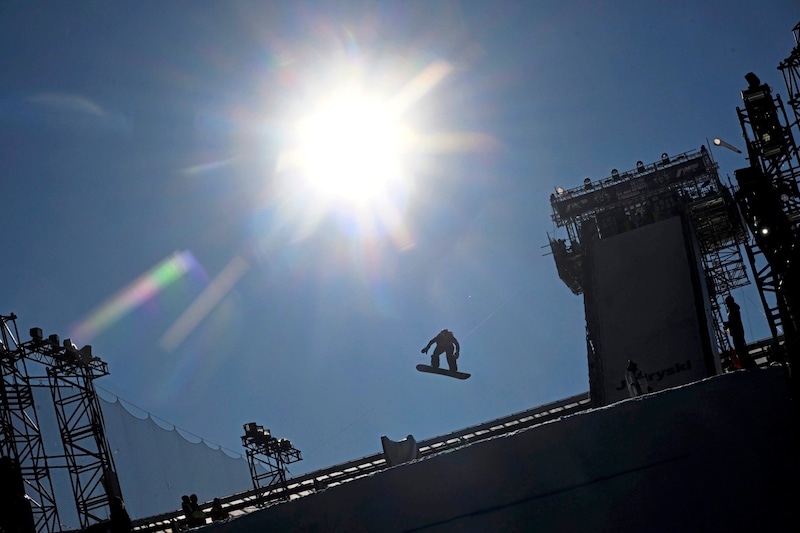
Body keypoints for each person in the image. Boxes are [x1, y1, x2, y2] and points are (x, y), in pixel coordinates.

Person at [724, 295, 756, 369]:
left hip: (737, 331)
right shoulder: (734, 309)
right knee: (740, 347)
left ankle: (746, 363)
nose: (727, 305)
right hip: (737, 331)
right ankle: (746, 362)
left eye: (727, 303)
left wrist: (727, 324)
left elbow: (734, 321)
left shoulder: (733, 310)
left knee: (740, 348)